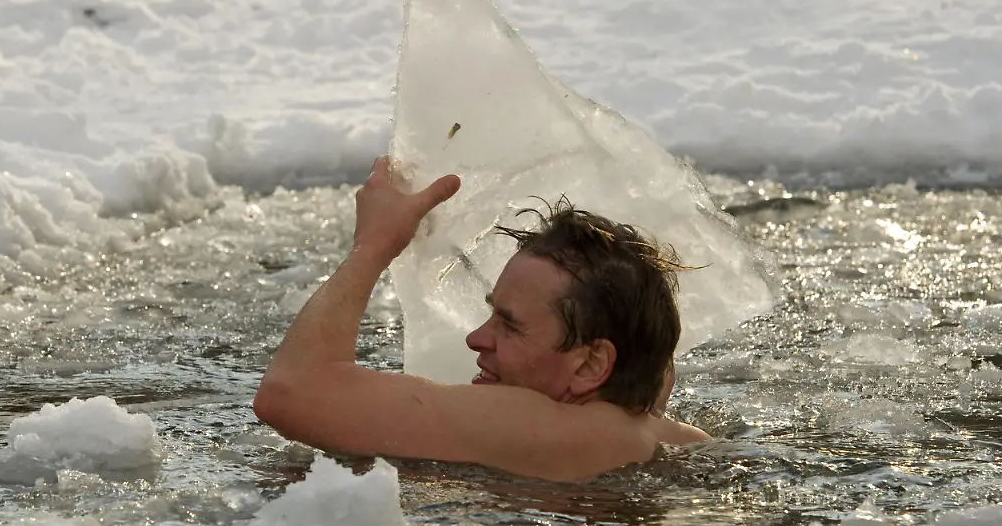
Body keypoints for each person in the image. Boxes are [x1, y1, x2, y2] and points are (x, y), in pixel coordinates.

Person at [253, 156, 710, 483]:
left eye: (510, 325)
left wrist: (374, 244)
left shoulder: (543, 426)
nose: (475, 338)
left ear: (591, 366)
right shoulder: (662, 432)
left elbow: (292, 392)